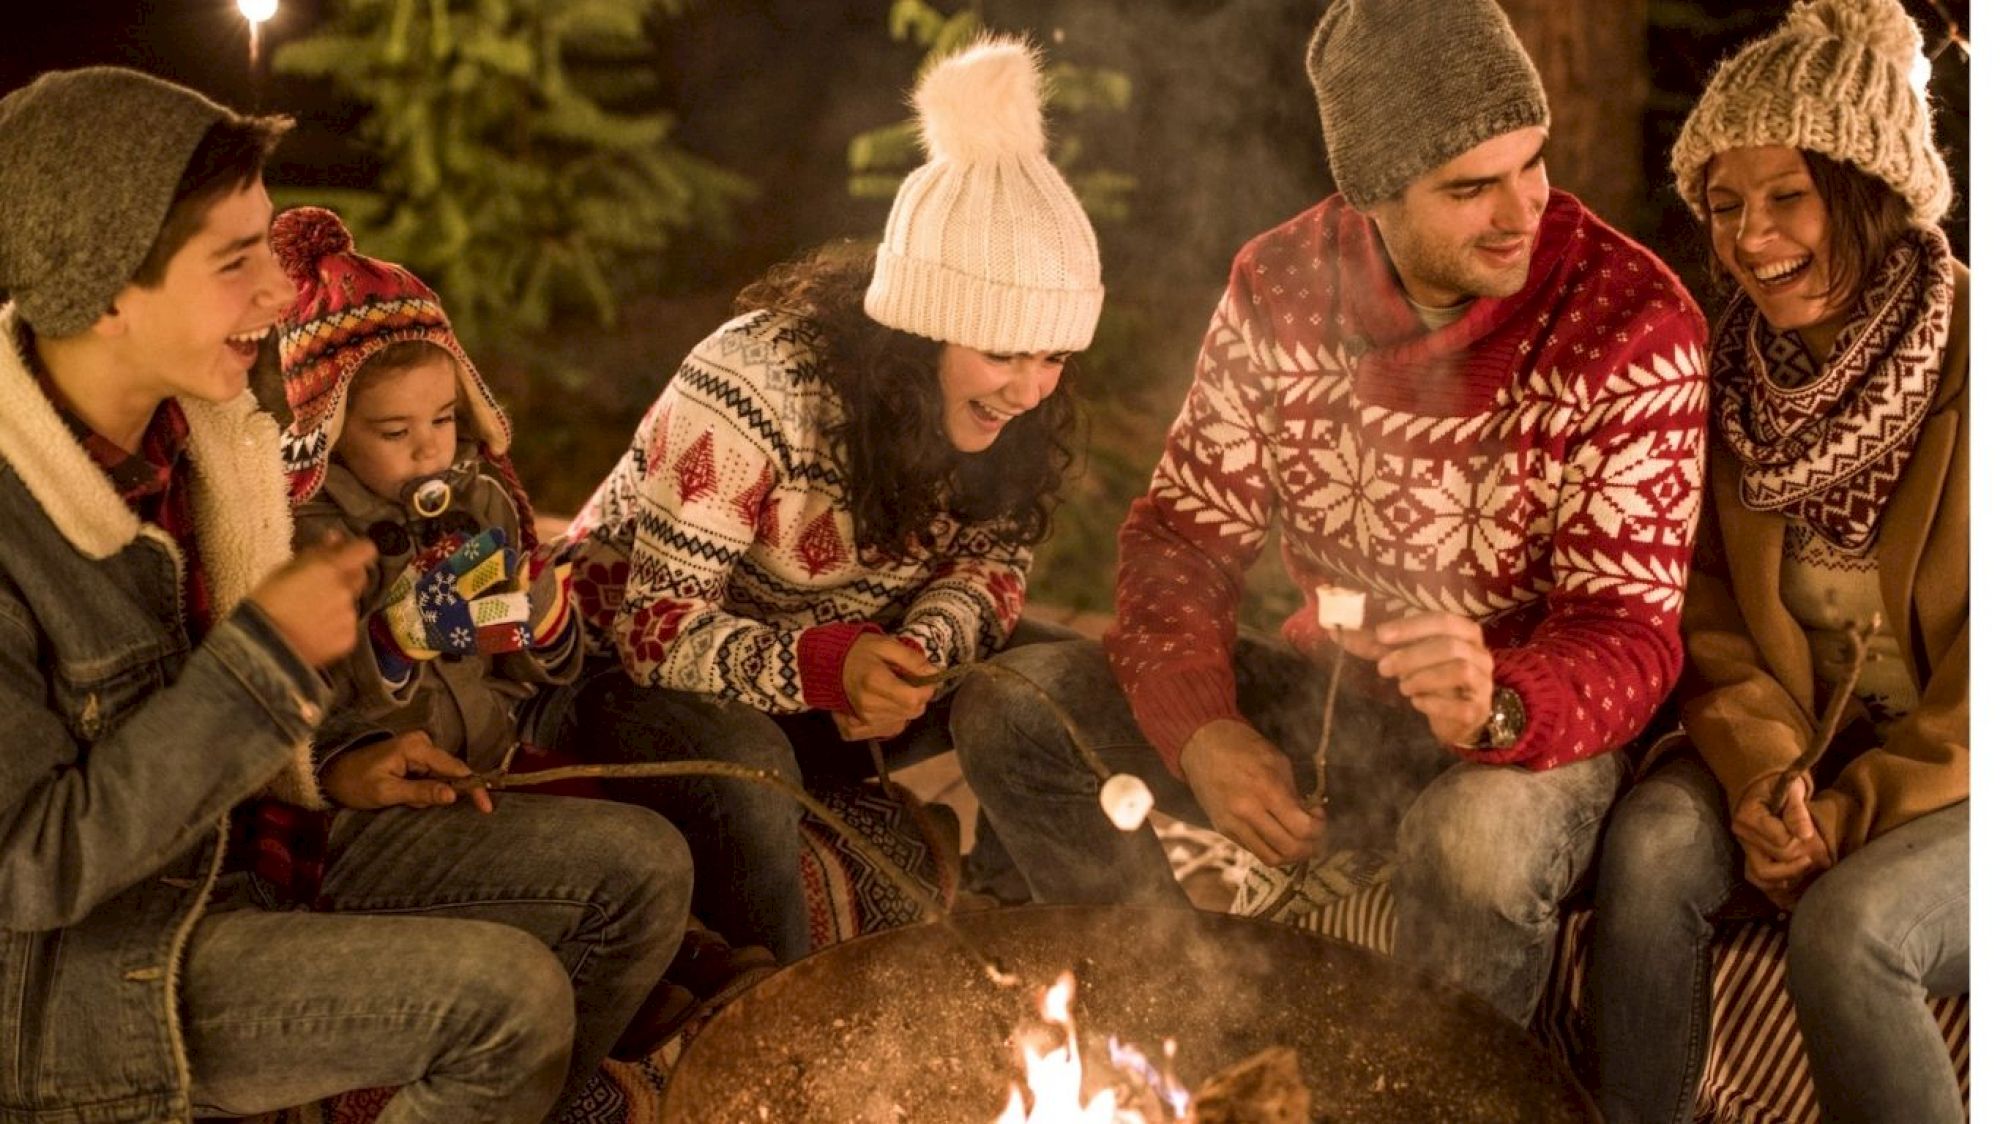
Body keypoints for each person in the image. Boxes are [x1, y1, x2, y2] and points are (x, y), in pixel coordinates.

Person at [951, 0, 1710, 1027]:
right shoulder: (1282, 283)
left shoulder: (1628, 321)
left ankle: (1439, 1090)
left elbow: (1628, 631)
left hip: (1527, 742)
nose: (1520, 209)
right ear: (1371, 195)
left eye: (1530, 162)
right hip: (1331, 711)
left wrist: (1497, 703)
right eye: (1469, 188)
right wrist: (1202, 727)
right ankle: (1176, 1028)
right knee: (1016, 705)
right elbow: (1185, 535)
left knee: (1475, 842)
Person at [0, 68, 690, 1122]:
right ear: (106, 296)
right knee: (508, 1003)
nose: (277, 297)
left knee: (641, 868)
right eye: (235, 263)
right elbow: (31, 869)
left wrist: (331, 768)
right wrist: (265, 664)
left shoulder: (206, 447)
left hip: (250, 865)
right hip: (91, 979)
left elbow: (228, 747)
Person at [556, 35, 1101, 964]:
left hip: (837, 683)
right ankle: (787, 998)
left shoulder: (1015, 410)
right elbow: (654, 633)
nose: (1030, 388)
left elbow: (994, 564)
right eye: (1003, 353)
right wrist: (826, 670)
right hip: (636, 683)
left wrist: (916, 657)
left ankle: (1027, 934)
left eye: (1053, 355)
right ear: (917, 335)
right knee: (750, 768)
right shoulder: (756, 383)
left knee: (1060, 687)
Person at [1585, 1, 1967, 1120]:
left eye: (1787, 195)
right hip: (1804, 759)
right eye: (1724, 204)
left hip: (1962, 778)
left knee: (1849, 926)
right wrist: (1763, 779)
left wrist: (1846, 815)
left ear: (1872, 190)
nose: (1751, 237)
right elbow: (1706, 614)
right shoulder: (1724, 379)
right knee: (1653, 845)